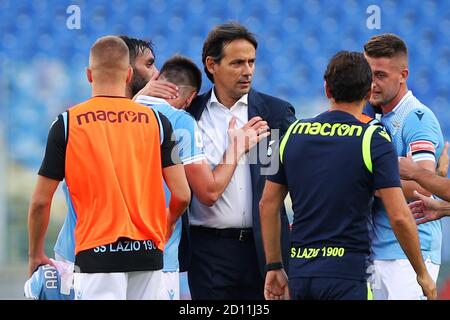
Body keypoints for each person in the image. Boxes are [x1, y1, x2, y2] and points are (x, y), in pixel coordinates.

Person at [259, 51, 436, 300]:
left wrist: (274, 266)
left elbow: (267, 204)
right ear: (367, 92)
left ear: (327, 89)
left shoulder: (291, 133)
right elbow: (399, 216)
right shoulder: (373, 139)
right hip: (347, 274)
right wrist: (421, 274)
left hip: (300, 272)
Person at [27, 36, 190, 300]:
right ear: (128, 75)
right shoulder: (159, 123)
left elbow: (40, 202)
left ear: (89, 75)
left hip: (96, 254)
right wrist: (166, 225)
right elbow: (182, 194)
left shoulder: (67, 124)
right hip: (148, 252)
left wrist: (36, 254)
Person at [135, 55, 269, 299]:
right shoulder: (179, 121)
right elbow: (208, 192)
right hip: (157, 251)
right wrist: (237, 147)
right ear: (189, 99)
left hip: (101, 251)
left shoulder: (115, 114)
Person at [185, 22, 296, 300]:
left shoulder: (275, 112)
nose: (247, 71)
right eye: (237, 63)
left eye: (251, 62)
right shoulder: (189, 116)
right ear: (212, 65)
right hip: (209, 252)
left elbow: (297, 178)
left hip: (266, 252)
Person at [363, 33, 444, 300]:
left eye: (381, 75)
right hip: (381, 250)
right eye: (368, 73)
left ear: (403, 74)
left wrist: (371, 185)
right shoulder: (376, 116)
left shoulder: (416, 118)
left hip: (409, 255)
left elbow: (421, 186)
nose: (372, 83)